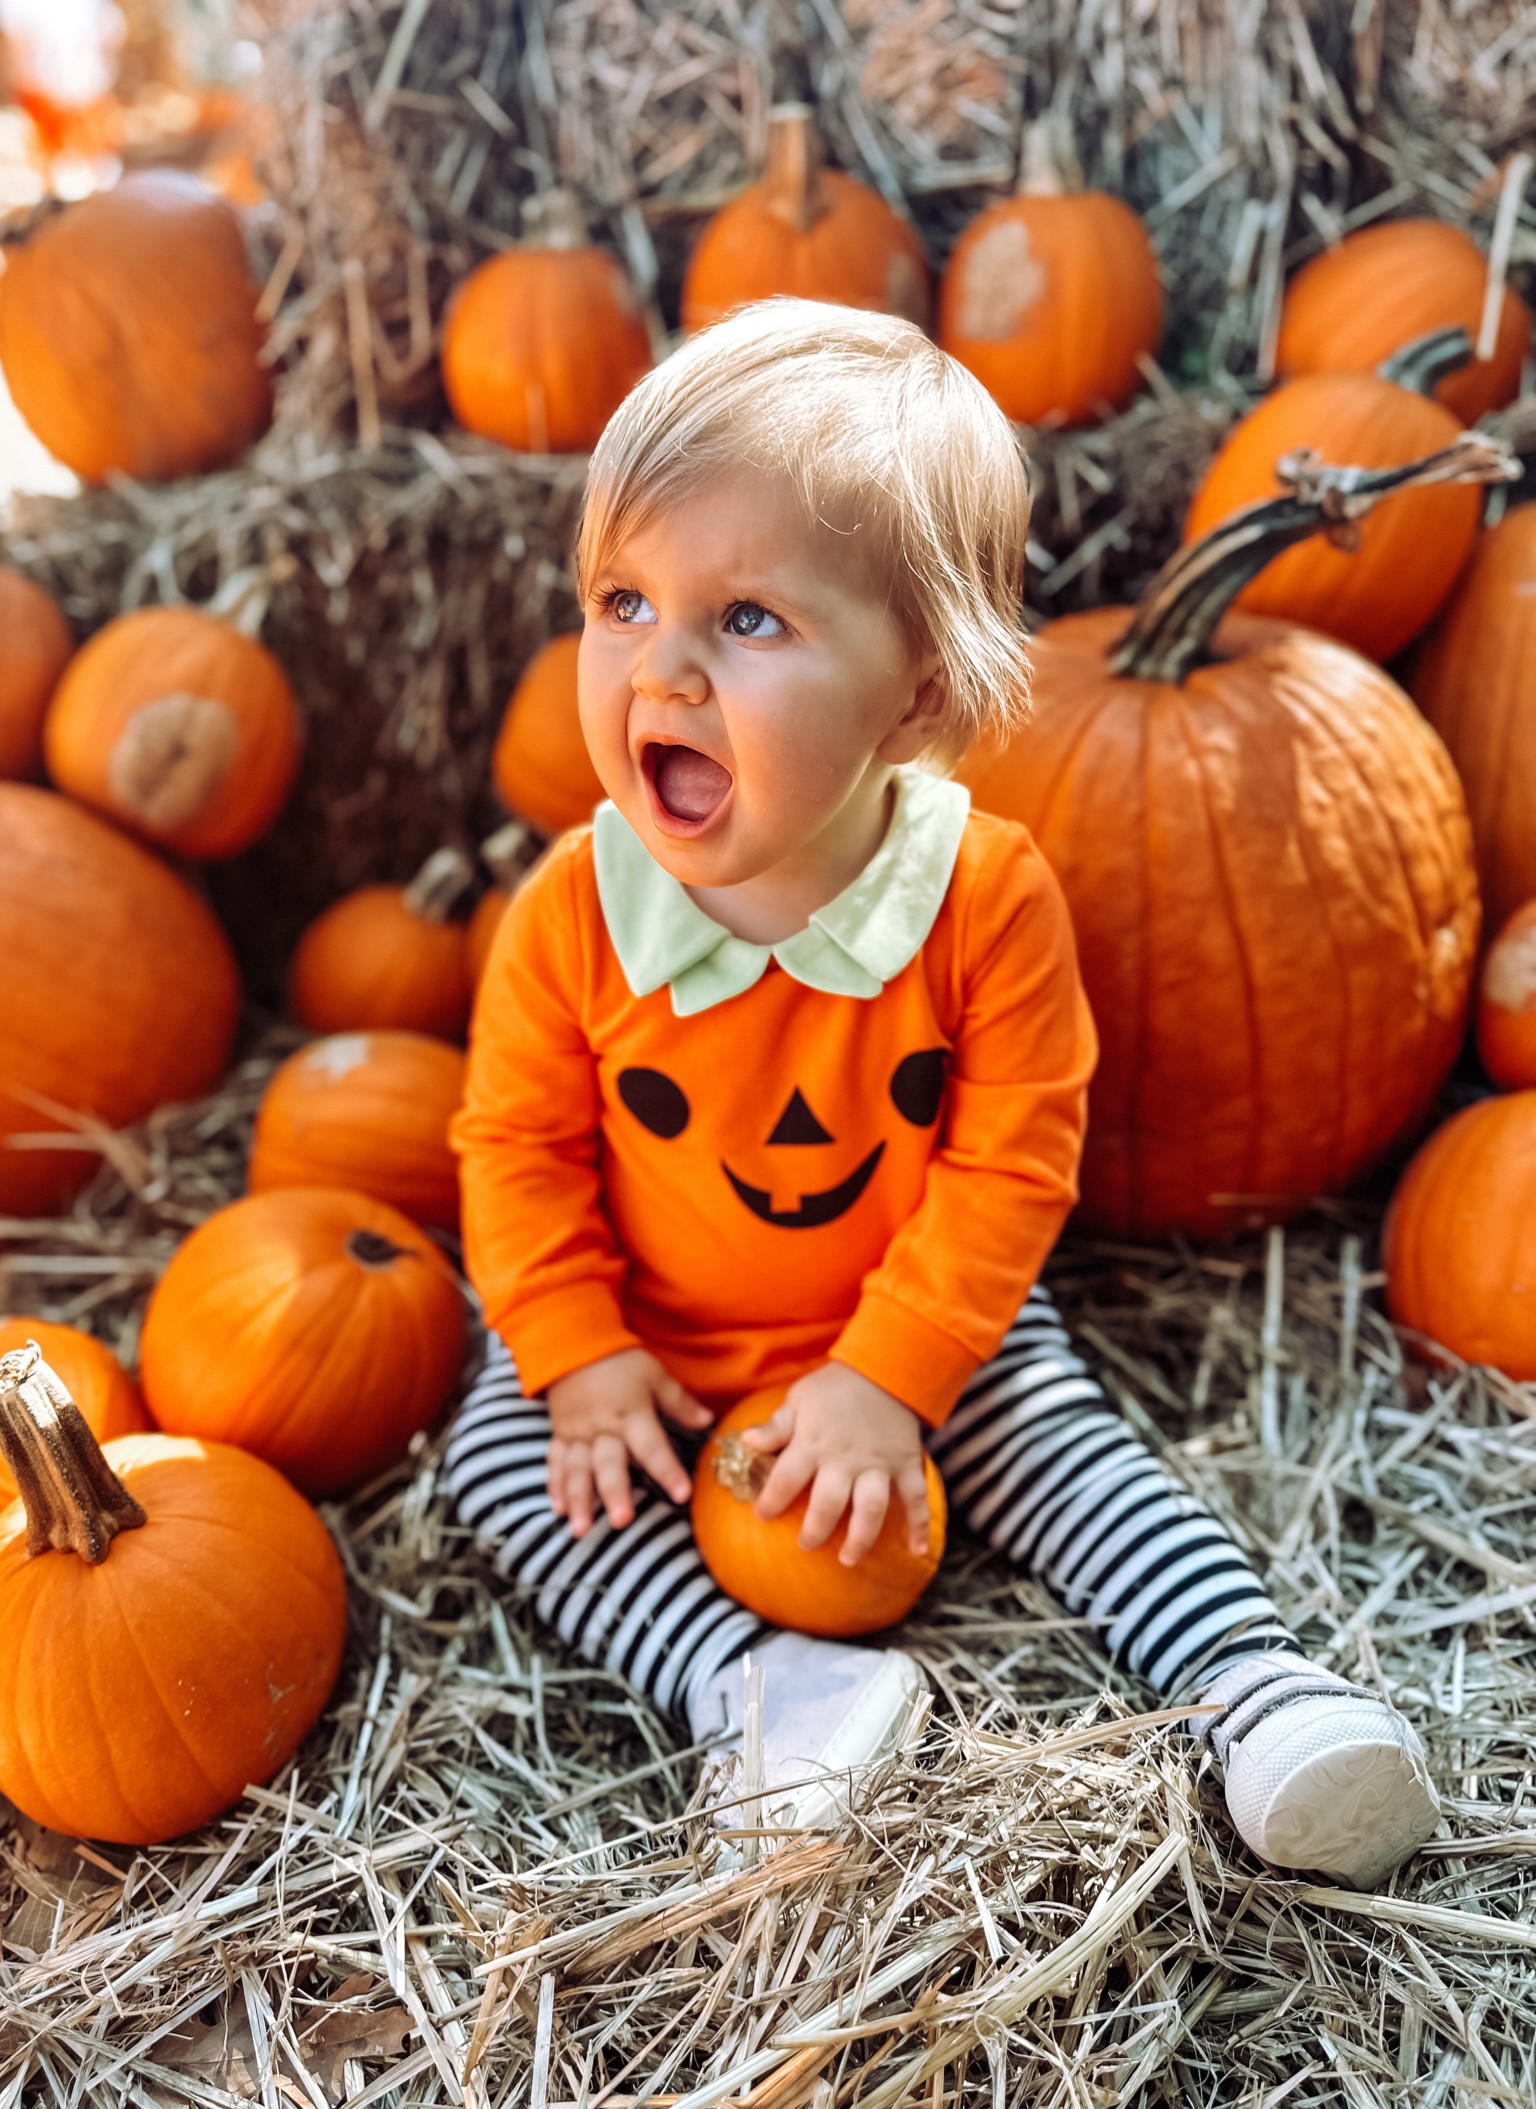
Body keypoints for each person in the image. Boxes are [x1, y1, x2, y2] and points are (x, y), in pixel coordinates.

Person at [445, 300, 1437, 1888]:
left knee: (1064, 1446)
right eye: (623, 600)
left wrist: (896, 1376)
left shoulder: (984, 895)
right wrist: (580, 1357)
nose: (665, 669)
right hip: (663, 1330)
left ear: (914, 696)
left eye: (747, 619)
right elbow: (514, 1147)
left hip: (916, 1309)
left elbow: (1011, 1162)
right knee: (507, 1463)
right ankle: (768, 1689)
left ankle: (1257, 1690)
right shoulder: (574, 907)